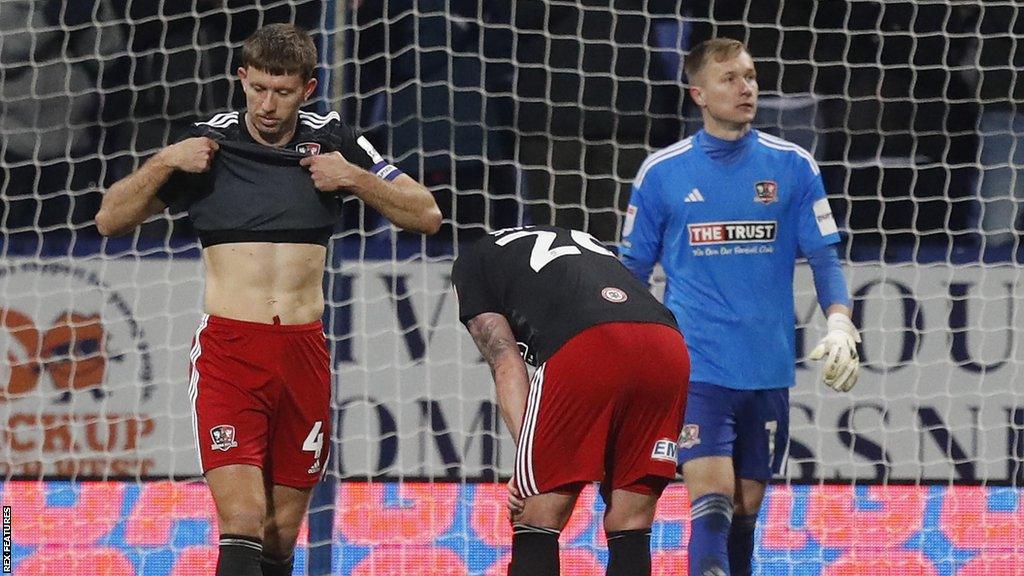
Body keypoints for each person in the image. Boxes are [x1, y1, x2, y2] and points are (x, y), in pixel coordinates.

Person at [95, 23, 441, 576]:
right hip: (231, 351)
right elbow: (110, 218)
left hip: (304, 352)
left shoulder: (333, 139)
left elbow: (425, 213)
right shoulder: (207, 145)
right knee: (244, 520)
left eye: (282, 92)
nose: (267, 105)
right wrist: (164, 161)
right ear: (241, 79)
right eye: (257, 88)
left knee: (280, 538)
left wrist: (353, 176)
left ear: (307, 89)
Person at [619, 38, 861, 576]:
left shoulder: (793, 166)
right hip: (697, 370)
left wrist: (840, 320)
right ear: (698, 93)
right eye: (729, 78)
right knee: (712, 504)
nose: (746, 87)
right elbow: (630, 275)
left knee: (746, 514)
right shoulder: (662, 174)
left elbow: (824, 258)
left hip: (768, 369)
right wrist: (633, 357)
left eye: (750, 76)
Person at [451, 224, 690, 576]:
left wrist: (526, 461)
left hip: (589, 345)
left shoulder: (472, 262)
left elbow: (505, 360)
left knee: (535, 514)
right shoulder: (583, 240)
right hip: (668, 347)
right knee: (631, 521)